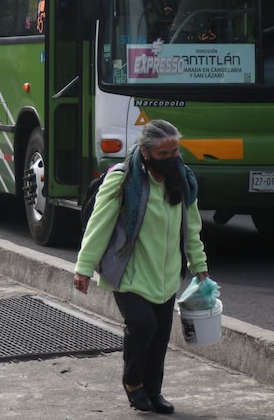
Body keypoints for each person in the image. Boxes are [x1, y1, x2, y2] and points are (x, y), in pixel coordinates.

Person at [73, 119, 209, 415]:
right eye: (163, 154)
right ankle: (133, 383)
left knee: (160, 332)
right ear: (146, 153)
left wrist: (199, 265)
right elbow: (99, 224)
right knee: (143, 325)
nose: (171, 159)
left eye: (175, 152)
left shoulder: (182, 179)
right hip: (128, 271)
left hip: (167, 274)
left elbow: (192, 228)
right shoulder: (123, 180)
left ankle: (154, 390)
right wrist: (83, 268)